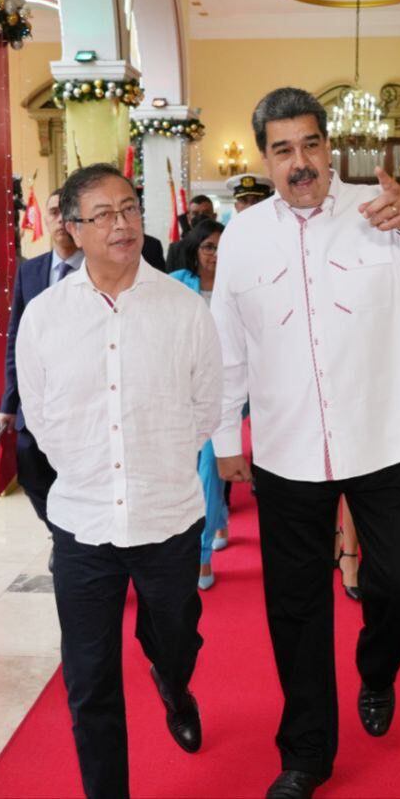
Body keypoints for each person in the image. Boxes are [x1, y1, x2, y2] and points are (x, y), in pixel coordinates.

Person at [211, 87, 400, 799]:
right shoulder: (242, 237)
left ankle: (378, 664)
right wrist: (224, 436)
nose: (300, 162)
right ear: (265, 158)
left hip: (383, 439)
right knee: (295, 607)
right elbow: (227, 345)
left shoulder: (379, 212)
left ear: (330, 146)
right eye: (283, 150)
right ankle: (305, 754)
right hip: (287, 449)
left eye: (310, 144)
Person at [16, 164, 222, 799]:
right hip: (83, 523)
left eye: (129, 208)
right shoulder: (45, 316)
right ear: (72, 229)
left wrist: (157, 461)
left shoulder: (183, 309)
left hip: (168, 516)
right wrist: (89, 467)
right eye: (102, 214)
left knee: (177, 640)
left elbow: (206, 406)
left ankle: (172, 681)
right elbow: (39, 413)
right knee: (89, 678)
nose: (121, 224)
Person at [0, 189, 78, 523]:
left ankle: (70, 537)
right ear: (45, 218)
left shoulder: (99, 269)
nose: (61, 220)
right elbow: (16, 337)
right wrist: (9, 403)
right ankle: (58, 531)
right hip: (36, 399)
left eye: (67, 212)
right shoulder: (30, 271)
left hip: (79, 399)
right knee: (31, 472)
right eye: (54, 212)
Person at [169, 220, 230, 590]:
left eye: (222, 247)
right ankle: (219, 517)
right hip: (182, 390)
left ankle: (202, 555)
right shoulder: (176, 283)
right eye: (208, 247)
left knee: (208, 466)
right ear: (195, 250)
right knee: (195, 467)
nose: (215, 255)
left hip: (225, 391)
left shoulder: (236, 285)